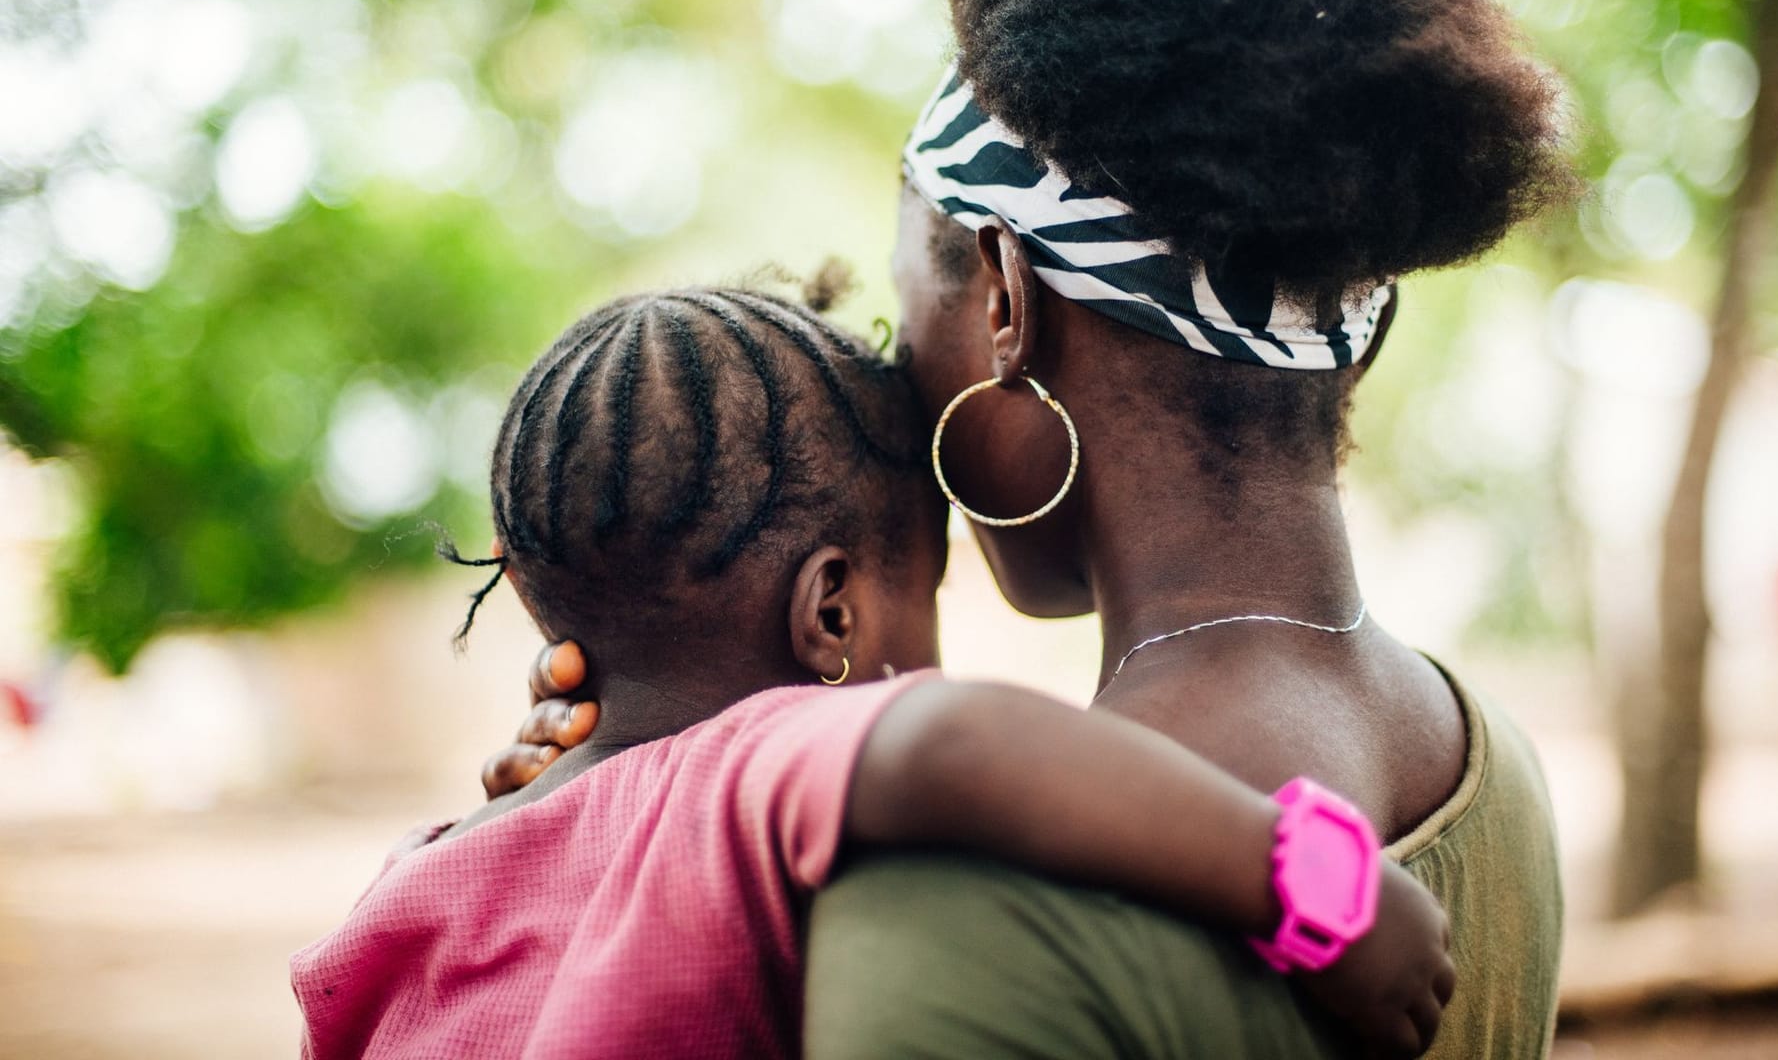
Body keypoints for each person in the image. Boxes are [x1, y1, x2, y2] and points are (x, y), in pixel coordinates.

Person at [488, 0, 1577, 1059]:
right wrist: (647, 814)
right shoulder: (1499, 768)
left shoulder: (959, 901)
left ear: (1007, 298)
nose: (899, 379)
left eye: (912, 319)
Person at [291, 288, 1454, 1059]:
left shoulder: (418, 876)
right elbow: (950, 744)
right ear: (831, 609)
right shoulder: (749, 764)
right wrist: (1316, 886)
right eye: (927, 584)